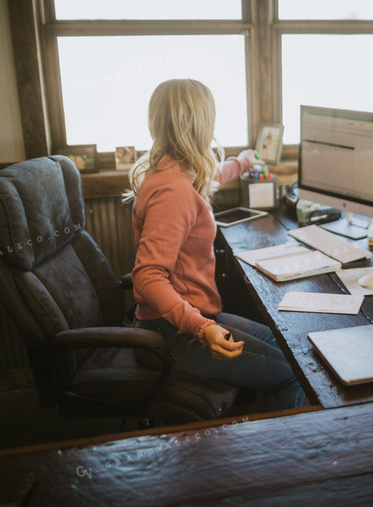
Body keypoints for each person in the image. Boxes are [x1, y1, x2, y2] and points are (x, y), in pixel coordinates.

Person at [125, 78, 304, 411]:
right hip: (174, 333)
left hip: (190, 318)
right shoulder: (173, 191)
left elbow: (210, 176)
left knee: (292, 348)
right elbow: (147, 276)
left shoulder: (171, 171)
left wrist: (244, 161)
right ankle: (275, 457)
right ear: (200, 124)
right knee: (296, 372)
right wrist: (203, 327)